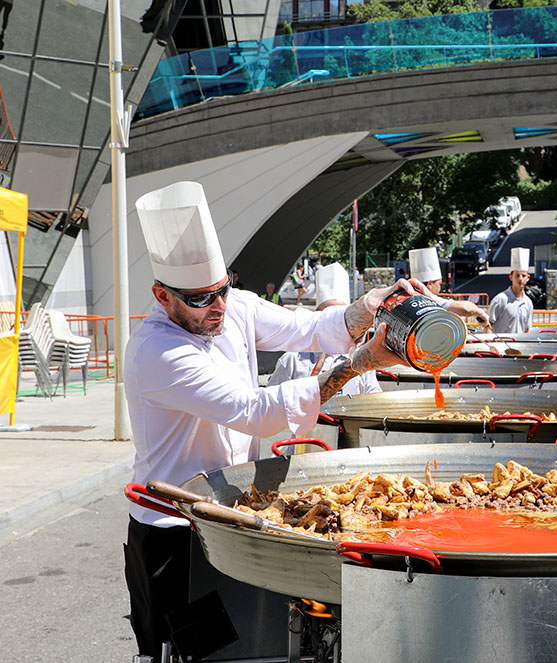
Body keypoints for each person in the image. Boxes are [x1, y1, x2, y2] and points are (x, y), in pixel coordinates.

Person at [122, 181, 421, 660]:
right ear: (163, 296)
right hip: (175, 526)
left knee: (244, 647)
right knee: (188, 649)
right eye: (200, 299)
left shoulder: (233, 307)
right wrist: (359, 363)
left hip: (231, 512)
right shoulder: (157, 351)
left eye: (222, 289)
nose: (217, 306)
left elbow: (310, 328)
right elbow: (255, 413)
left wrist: (368, 307)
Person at [268, 262, 380, 395]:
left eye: (342, 317)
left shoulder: (360, 360)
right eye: (330, 317)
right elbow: (270, 402)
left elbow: (374, 395)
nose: (336, 324)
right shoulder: (292, 360)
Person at [409, 247, 493, 332]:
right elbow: (465, 309)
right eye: (439, 284)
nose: (440, 287)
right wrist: (480, 312)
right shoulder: (428, 301)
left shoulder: (406, 298)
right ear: (430, 284)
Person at [489, 247, 533, 333]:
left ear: (528, 278)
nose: (520, 279)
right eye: (517, 275)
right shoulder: (500, 299)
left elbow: (527, 329)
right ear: (511, 277)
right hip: (502, 345)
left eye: (523, 276)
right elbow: (489, 325)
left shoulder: (528, 303)